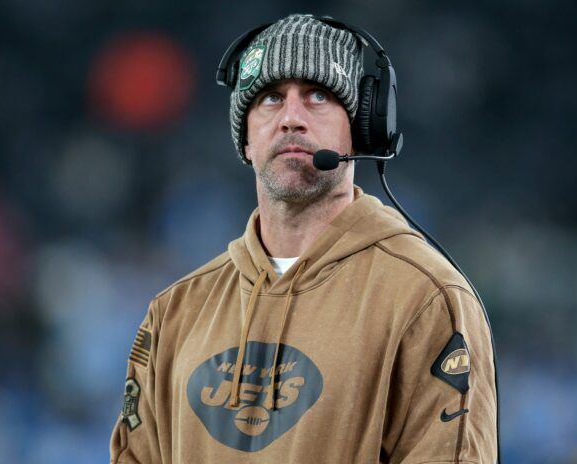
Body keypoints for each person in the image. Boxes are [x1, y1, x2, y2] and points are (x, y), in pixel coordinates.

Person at [110, 14, 497, 463]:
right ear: (246, 138)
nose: (291, 118)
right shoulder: (172, 313)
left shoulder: (425, 298)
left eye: (318, 95)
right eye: (271, 98)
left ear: (361, 127)